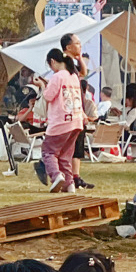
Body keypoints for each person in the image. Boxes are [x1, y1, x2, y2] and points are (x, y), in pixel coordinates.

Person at [38, 49, 86, 192]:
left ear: (52, 61)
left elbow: (48, 96)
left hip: (60, 121)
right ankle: (69, 184)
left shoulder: (57, 76)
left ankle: (56, 175)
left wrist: (42, 85)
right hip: (76, 120)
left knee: (49, 151)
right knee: (65, 155)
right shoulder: (73, 76)